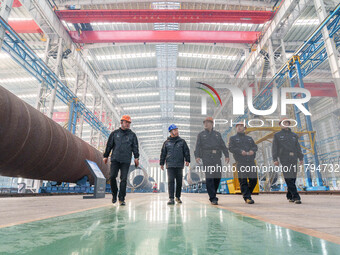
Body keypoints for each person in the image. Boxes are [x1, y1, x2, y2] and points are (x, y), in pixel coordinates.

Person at [103, 115, 139, 206]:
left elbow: (135, 147)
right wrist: (106, 156)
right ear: (121, 122)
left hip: (125, 160)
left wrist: (136, 157)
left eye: (129, 123)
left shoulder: (132, 135)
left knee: (124, 179)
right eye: (126, 122)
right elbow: (109, 145)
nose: (128, 124)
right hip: (115, 159)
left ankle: (121, 198)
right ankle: (114, 194)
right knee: (112, 177)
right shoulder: (115, 134)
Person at [194, 117, 229, 205]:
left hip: (217, 157)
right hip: (206, 157)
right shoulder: (201, 135)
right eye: (204, 123)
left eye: (208, 123)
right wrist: (197, 156)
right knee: (209, 177)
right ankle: (213, 197)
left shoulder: (217, 134)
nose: (206, 124)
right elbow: (197, 146)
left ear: (212, 124)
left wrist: (227, 155)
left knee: (217, 176)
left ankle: (213, 193)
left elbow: (223, 145)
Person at [272, 118, 304, 204]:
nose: (285, 124)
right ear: (280, 125)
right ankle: (296, 197)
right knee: (289, 177)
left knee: (293, 177)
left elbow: (298, 147)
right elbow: (274, 148)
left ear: (289, 124)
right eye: (283, 123)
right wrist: (275, 159)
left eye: (286, 122)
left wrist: (301, 158)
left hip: (294, 158)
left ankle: (289, 195)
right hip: (284, 158)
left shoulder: (294, 135)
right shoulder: (277, 135)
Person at [160, 124, 190, 205]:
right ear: (171, 132)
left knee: (179, 182)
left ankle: (178, 197)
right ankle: (171, 198)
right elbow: (163, 153)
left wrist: (187, 160)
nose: (177, 131)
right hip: (170, 165)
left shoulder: (182, 142)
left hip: (179, 164)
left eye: (177, 130)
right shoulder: (166, 143)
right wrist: (161, 163)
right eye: (175, 130)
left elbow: (186, 151)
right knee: (170, 181)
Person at [229, 122, 258, 204]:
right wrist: (240, 151)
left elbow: (255, 146)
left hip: (251, 161)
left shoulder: (249, 138)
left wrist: (253, 150)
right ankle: (247, 197)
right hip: (241, 161)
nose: (239, 127)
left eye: (241, 126)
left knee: (254, 180)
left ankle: (247, 193)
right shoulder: (233, 138)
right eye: (238, 126)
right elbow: (231, 148)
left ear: (245, 128)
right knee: (243, 180)